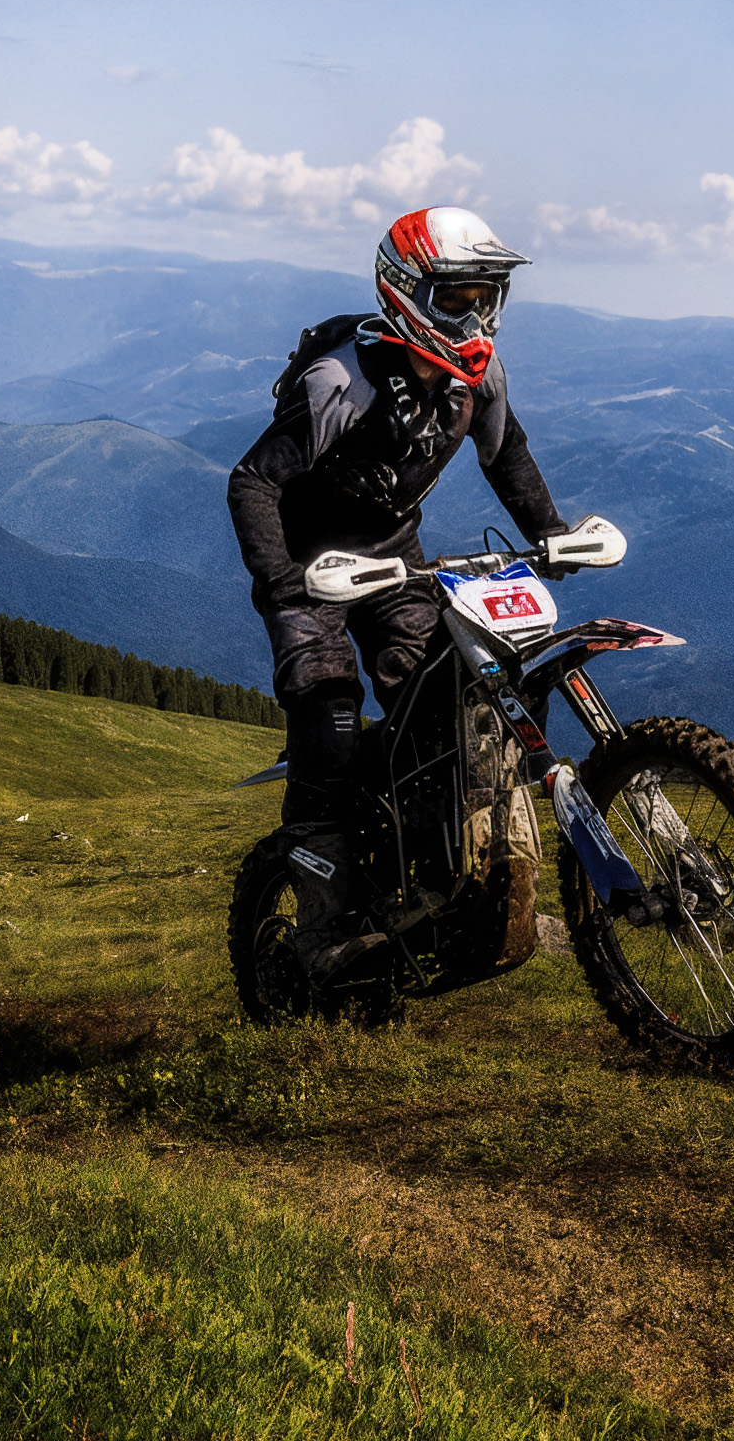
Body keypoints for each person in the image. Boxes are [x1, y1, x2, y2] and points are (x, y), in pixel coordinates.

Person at [227, 205, 570, 979]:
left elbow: (507, 456)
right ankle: (319, 930)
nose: (477, 315)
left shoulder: (476, 382)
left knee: (444, 700)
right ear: (406, 290)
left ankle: (436, 881)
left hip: (392, 561)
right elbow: (252, 482)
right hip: (309, 568)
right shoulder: (338, 379)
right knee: (329, 721)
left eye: (487, 297)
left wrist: (550, 531)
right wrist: (285, 586)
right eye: (457, 299)